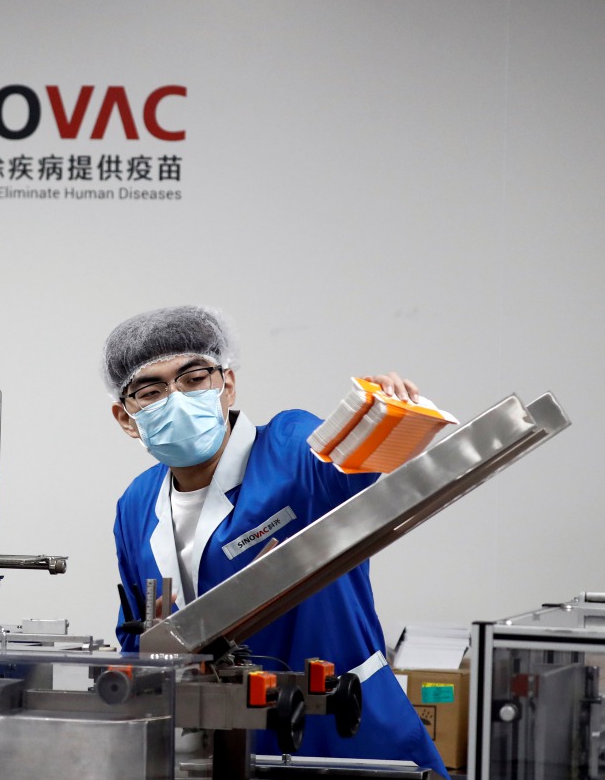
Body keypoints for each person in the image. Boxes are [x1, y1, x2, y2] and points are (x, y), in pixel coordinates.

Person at [103, 305, 447, 778]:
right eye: (151, 390)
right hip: (217, 745)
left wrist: (387, 425)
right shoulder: (136, 504)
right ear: (126, 417)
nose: (176, 398)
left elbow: (355, 472)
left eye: (193, 377)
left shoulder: (289, 446)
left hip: (344, 730)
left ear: (227, 384)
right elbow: (137, 635)